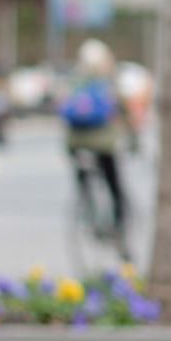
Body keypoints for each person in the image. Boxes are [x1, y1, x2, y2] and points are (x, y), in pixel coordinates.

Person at [61, 38, 137, 259]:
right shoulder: (109, 82)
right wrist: (134, 141)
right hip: (104, 146)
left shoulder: (74, 80)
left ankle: (88, 207)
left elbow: (64, 113)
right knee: (115, 188)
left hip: (76, 146)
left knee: (83, 178)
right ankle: (118, 230)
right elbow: (124, 114)